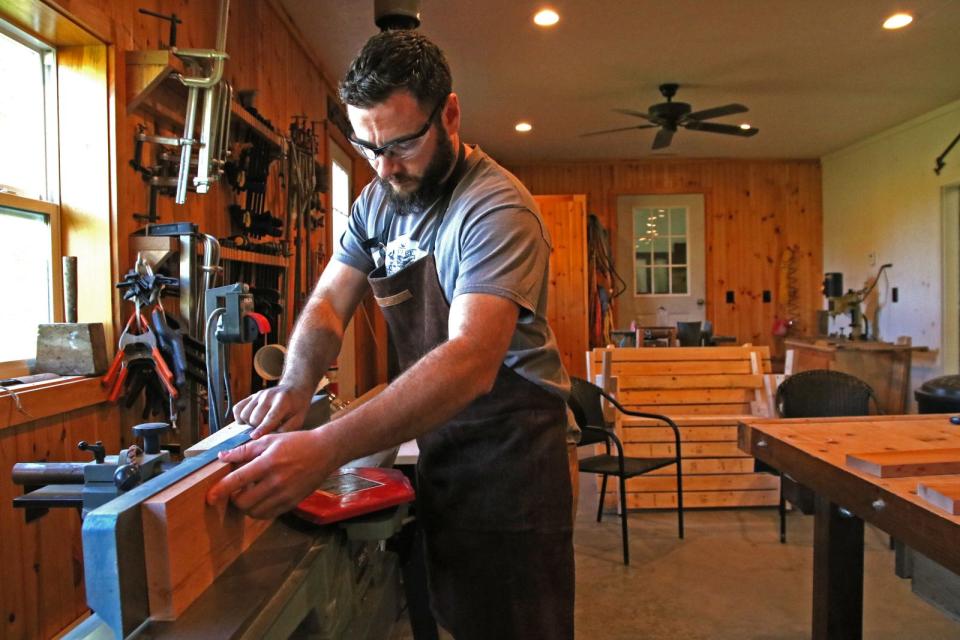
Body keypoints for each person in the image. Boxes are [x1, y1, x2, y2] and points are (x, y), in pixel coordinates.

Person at [207, 29, 574, 639]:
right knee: (457, 617)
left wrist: (325, 447)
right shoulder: (377, 200)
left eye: (401, 143)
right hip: (443, 447)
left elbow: (472, 359)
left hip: (516, 467)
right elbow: (328, 300)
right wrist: (297, 386)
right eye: (366, 145)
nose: (383, 166)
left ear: (449, 114)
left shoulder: (494, 209)